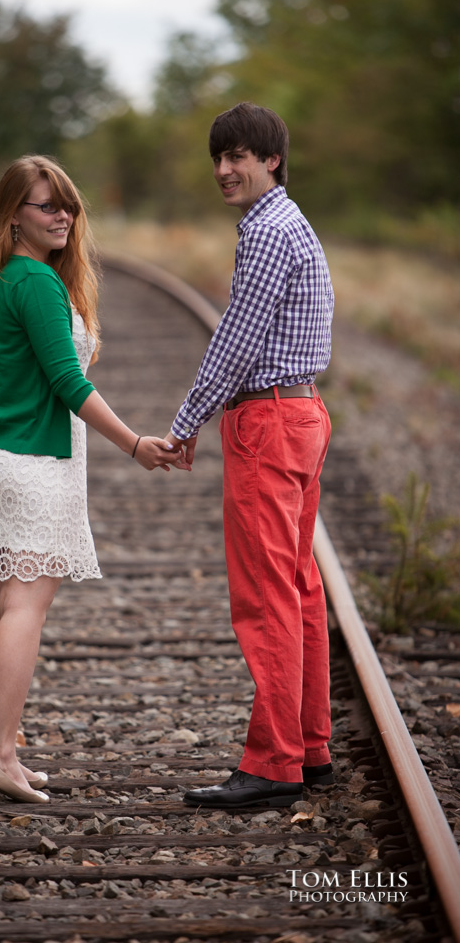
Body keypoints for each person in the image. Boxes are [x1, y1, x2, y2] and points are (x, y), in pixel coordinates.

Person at [0, 155, 182, 804]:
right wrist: (135, 444)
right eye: (45, 204)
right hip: (33, 465)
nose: (62, 215)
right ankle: (0, 752)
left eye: (67, 204)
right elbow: (68, 384)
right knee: (25, 608)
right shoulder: (38, 284)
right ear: (12, 215)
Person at [166, 103, 335, 809]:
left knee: (266, 597)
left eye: (239, 156)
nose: (224, 170)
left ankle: (272, 764)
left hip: (266, 421)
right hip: (298, 412)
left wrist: (185, 421)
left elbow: (235, 338)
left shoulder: (266, 233)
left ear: (271, 160)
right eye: (218, 157)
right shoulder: (290, 223)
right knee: (296, 587)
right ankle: (308, 744)